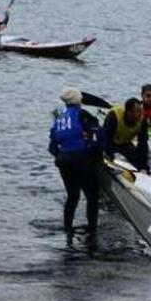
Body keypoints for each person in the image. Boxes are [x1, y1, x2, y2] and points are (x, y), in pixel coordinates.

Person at [48, 87, 101, 243]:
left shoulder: (59, 119)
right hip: (80, 158)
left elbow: (52, 147)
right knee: (92, 196)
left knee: (73, 196)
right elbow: (98, 136)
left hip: (63, 160)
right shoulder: (82, 115)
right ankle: (92, 230)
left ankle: (68, 230)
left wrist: (62, 157)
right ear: (78, 101)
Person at [99, 98, 150, 172]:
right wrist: (109, 161)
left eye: (141, 111)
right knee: (105, 156)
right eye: (138, 111)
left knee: (141, 163)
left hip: (125, 143)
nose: (141, 114)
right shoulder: (114, 116)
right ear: (129, 112)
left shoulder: (142, 120)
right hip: (107, 139)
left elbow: (143, 144)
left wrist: (143, 166)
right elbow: (106, 139)